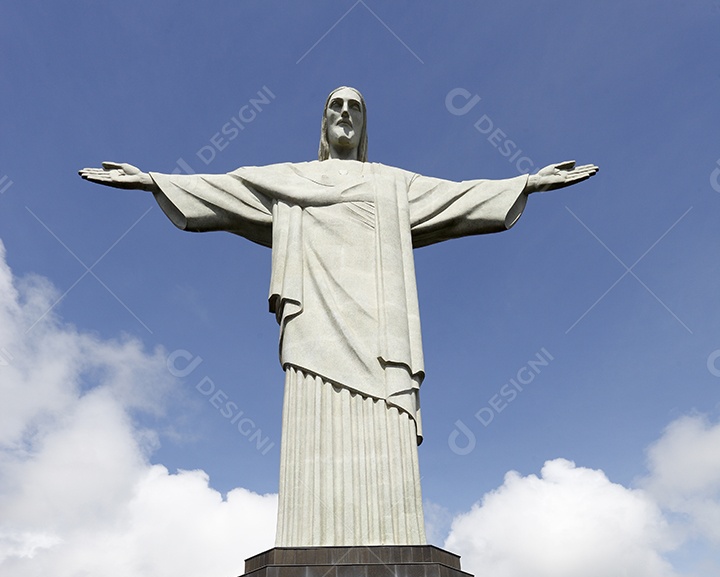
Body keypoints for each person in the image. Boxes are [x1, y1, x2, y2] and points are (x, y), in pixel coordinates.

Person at [79, 89, 596, 549]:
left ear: (363, 125)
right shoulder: (290, 180)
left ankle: (393, 539)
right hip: (315, 325)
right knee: (313, 420)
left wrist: (527, 182)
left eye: (355, 108)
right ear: (323, 123)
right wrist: (152, 181)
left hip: (381, 329)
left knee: (385, 426)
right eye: (336, 106)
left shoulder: (394, 184)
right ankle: (309, 538)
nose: (345, 114)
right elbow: (226, 190)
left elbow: (458, 197)